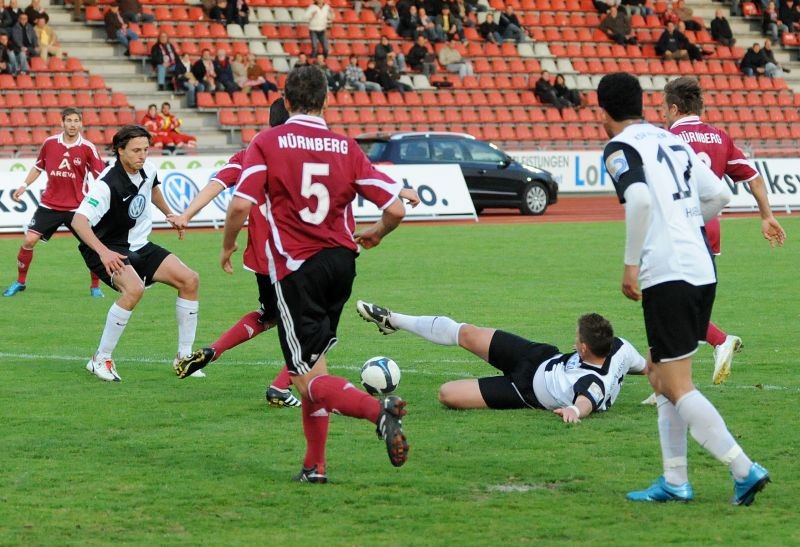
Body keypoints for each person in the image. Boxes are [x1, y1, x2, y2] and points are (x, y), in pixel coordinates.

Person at [185, 66, 413, 483]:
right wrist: (377, 233)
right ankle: (315, 466)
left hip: (297, 268)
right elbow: (396, 207)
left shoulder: (268, 142)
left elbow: (239, 206)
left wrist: (227, 244)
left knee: (304, 380)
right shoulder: (345, 146)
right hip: (342, 264)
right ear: (327, 101)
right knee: (314, 364)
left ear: (286, 101)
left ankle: (375, 410)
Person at [598, 72, 770, 505]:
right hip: (701, 267)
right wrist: (688, 226)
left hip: (668, 272)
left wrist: (631, 263)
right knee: (659, 375)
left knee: (677, 385)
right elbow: (719, 196)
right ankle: (675, 480)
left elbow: (637, 200)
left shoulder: (621, 147)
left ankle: (744, 468)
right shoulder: (670, 140)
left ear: (603, 113)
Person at [172, 99, 301, 407]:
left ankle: (213, 350)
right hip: (296, 254)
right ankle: (281, 388)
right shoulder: (305, 153)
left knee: (269, 316)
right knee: (315, 326)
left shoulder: (249, 154)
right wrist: (395, 192)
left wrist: (187, 215)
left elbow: (216, 184)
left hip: (260, 258)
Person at [661, 76, 786, 384]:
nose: (663, 114)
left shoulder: (666, 139)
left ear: (674, 108)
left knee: (668, 307)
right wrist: (766, 216)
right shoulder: (719, 136)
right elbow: (754, 178)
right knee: (674, 308)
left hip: (680, 230)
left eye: (664, 108)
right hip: (711, 228)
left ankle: (717, 342)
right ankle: (665, 383)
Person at [357, 302, 646, 421]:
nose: (574, 339)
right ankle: (392, 320)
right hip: (539, 356)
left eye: (576, 338)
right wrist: (663, 392)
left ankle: (394, 321)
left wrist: (574, 411)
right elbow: (648, 368)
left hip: (523, 391)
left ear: (584, 347)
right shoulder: (620, 347)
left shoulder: (593, 382)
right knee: (467, 332)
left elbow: (588, 399)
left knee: (448, 393)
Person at [71, 125, 203, 382]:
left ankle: (184, 358)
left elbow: (152, 189)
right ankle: (100, 358)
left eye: (145, 149)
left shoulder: (148, 169)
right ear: (120, 151)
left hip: (139, 244)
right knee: (133, 290)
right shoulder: (107, 184)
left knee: (190, 279)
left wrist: (169, 214)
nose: (142, 155)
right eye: (135, 151)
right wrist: (104, 252)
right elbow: (78, 221)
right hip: (106, 247)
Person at [4, 108, 107, 298]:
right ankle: (20, 282)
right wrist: (24, 185)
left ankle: (95, 286)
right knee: (29, 240)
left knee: (93, 245)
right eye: (69, 120)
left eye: (76, 121)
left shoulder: (87, 147)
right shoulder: (50, 143)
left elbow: (100, 177)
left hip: (77, 207)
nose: (73, 124)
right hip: (49, 205)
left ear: (81, 124)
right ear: (62, 123)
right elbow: (38, 167)